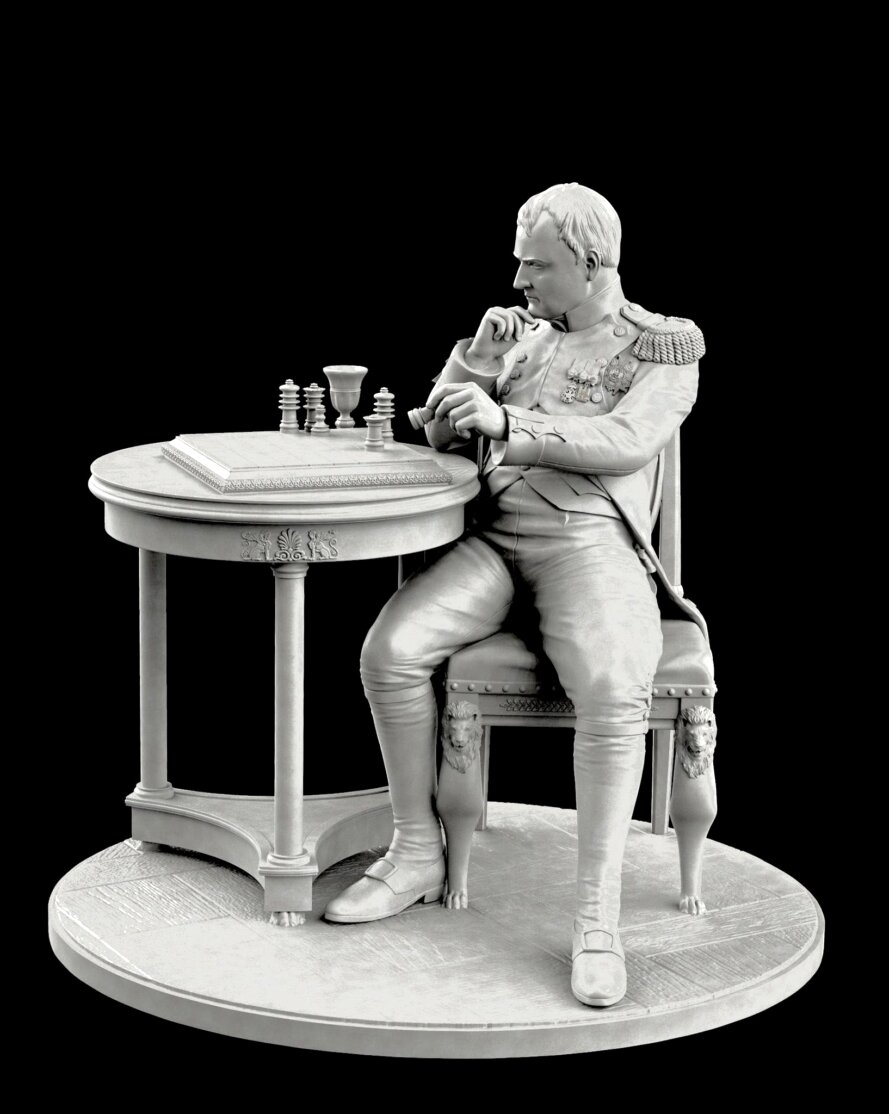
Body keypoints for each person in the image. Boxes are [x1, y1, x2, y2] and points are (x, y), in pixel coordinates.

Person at [324, 182, 707, 1008]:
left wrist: (509, 424)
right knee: (389, 651)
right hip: (497, 542)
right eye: (519, 263)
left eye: (535, 265)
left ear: (590, 262)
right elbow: (436, 436)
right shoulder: (524, 338)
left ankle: (596, 921)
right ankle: (416, 852)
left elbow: (627, 439)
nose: (518, 279)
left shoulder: (663, 344)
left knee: (613, 687)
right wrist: (474, 365)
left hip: (589, 549)